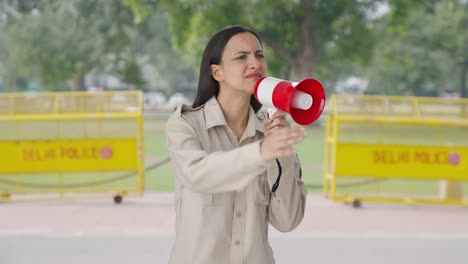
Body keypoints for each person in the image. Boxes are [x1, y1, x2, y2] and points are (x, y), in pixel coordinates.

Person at [165, 25, 307, 264]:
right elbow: (196, 174)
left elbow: (288, 220)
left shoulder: (270, 131)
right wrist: (260, 153)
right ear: (216, 72)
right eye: (241, 57)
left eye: (259, 55)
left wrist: (281, 155)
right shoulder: (185, 124)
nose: (255, 63)